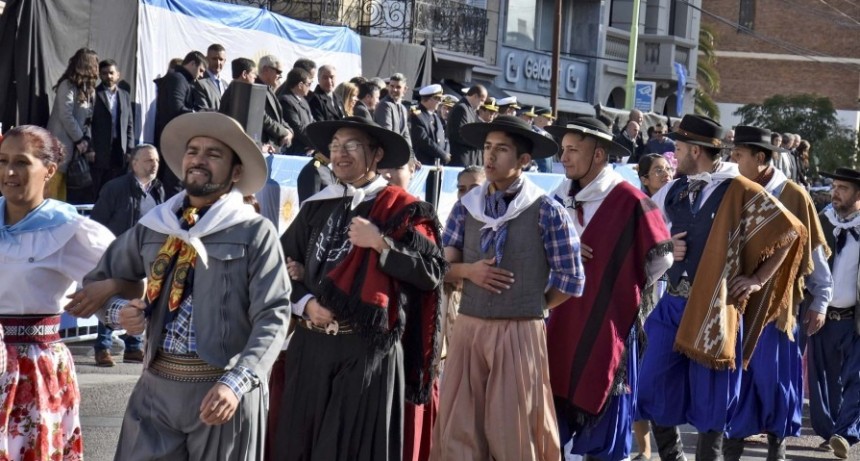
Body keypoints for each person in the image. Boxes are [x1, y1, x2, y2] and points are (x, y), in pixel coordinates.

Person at [80, 112, 290, 461]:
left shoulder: (255, 232)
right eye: (193, 151)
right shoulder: (155, 226)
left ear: (236, 172)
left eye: (213, 153)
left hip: (221, 393)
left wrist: (237, 383)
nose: (198, 159)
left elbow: (274, 316)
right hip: (155, 389)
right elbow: (97, 283)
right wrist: (120, 313)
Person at [274, 116, 446, 461]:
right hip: (311, 345)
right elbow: (277, 267)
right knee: (298, 446)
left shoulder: (402, 208)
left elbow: (431, 273)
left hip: (367, 352)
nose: (340, 153)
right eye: (335, 146)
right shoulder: (315, 206)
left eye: (351, 145)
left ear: (376, 154)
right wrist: (305, 302)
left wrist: (381, 244)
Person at [637, 114, 805, 461]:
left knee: (711, 402)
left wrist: (758, 279)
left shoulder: (739, 188)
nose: (674, 155)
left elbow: (790, 231)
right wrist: (668, 246)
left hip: (716, 308)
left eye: (679, 148)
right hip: (673, 303)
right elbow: (646, 233)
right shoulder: (676, 188)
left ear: (696, 150)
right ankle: (673, 456)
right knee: (648, 381)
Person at [431, 115, 585, 461]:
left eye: (501, 150)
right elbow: (441, 267)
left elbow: (571, 279)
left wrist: (534, 304)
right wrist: (469, 271)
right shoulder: (466, 207)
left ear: (524, 161)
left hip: (519, 332)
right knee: (460, 427)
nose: (490, 157)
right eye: (487, 148)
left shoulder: (546, 210)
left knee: (514, 431)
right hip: (469, 329)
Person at [545, 118, 672, 461]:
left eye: (573, 150)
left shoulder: (629, 199)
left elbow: (661, 260)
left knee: (606, 430)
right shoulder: (556, 197)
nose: (564, 157)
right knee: (548, 427)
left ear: (598, 154)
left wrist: (616, 276)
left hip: (610, 328)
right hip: (558, 325)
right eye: (563, 149)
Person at [0, 125, 119, 460]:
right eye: (2, 160)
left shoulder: (69, 229)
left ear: (49, 171)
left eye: (22, 162)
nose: (9, 171)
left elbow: (132, 275)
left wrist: (110, 286)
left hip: (31, 367)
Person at [724, 125, 833, 461]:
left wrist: (822, 300)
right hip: (736, 306)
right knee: (737, 384)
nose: (733, 160)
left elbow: (814, 256)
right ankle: (730, 451)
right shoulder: (734, 190)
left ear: (760, 158)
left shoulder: (794, 195)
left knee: (774, 384)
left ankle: (777, 449)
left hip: (779, 308)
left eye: (739, 155)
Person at [89, 144, 165, 367]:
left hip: (146, 258)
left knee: (140, 302)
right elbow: (97, 221)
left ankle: (133, 346)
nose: (154, 165)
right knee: (110, 299)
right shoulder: (115, 188)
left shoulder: (158, 190)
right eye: (149, 160)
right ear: (134, 163)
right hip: (117, 253)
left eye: (157, 161)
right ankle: (102, 347)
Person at [807, 167, 860, 460]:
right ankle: (830, 431)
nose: (835, 192)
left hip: (855, 321)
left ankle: (846, 432)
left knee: (856, 378)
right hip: (822, 316)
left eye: (843, 188)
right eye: (834, 186)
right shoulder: (821, 223)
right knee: (823, 382)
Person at [46, 47, 99, 203]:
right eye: (94, 63)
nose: (97, 67)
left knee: (66, 197)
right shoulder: (67, 85)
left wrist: (87, 141)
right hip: (60, 147)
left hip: (75, 153)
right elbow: (65, 115)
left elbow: (89, 118)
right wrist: (79, 139)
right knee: (53, 191)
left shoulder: (89, 90)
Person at [154, 50, 208, 197]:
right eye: (201, 70)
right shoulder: (177, 79)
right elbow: (175, 108)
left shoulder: (183, 80)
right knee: (174, 184)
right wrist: (198, 115)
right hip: (173, 138)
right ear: (192, 64)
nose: (201, 75)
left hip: (176, 137)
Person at [255, 55, 294, 152]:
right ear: (265, 69)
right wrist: (284, 132)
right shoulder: (255, 88)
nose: (280, 76)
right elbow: (262, 118)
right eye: (278, 72)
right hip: (262, 147)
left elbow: (279, 118)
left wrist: (289, 131)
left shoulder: (270, 90)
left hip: (273, 148)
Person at [446, 85, 487, 166]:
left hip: (470, 160)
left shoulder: (470, 110)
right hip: (461, 159)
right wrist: (479, 142)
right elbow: (460, 135)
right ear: (475, 96)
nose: (482, 104)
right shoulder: (461, 108)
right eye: (481, 100)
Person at [410, 84, 450, 165]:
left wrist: (446, 153)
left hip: (437, 164)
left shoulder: (436, 117)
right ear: (428, 99)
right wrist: (442, 154)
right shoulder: (417, 116)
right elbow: (423, 140)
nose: (440, 102)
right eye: (438, 99)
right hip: (424, 164)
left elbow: (445, 138)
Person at [279, 67, 316, 156]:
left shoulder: (303, 100)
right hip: (294, 152)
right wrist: (315, 143)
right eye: (309, 84)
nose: (310, 87)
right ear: (300, 85)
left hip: (307, 151)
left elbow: (312, 123)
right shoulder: (286, 101)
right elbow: (297, 128)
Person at [374, 73, 412, 149]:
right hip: (388, 152)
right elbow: (387, 134)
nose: (394, 89)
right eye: (392, 86)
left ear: (405, 89)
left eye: (398, 87)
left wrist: (411, 157)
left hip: (398, 154)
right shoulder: (385, 105)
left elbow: (406, 135)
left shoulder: (403, 108)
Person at [193, 43, 226, 111]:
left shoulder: (226, 85)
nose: (218, 63)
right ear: (206, 59)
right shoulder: (199, 82)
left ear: (225, 61)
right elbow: (203, 110)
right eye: (214, 59)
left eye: (221, 59)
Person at [532, 107, 556, 173]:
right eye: (548, 118)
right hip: (535, 174)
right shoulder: (531, 133)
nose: (551, 120)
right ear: (539, 119)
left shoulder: (548, 135)